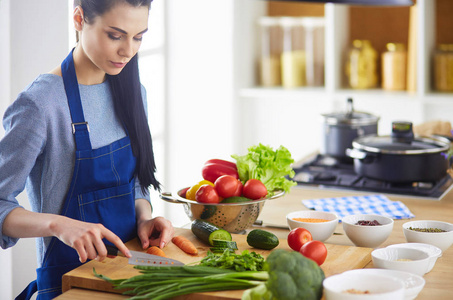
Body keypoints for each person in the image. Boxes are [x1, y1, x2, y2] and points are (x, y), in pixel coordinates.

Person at [0, 0, 174, 299]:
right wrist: (59, 225)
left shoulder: (134, 92)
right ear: (79, 19)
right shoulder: (41, 104)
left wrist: (145, 217)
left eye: (138, 36)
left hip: (133, 277)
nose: (128, 51)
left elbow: (134, 183)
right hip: (71, 286)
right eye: (115, 35)